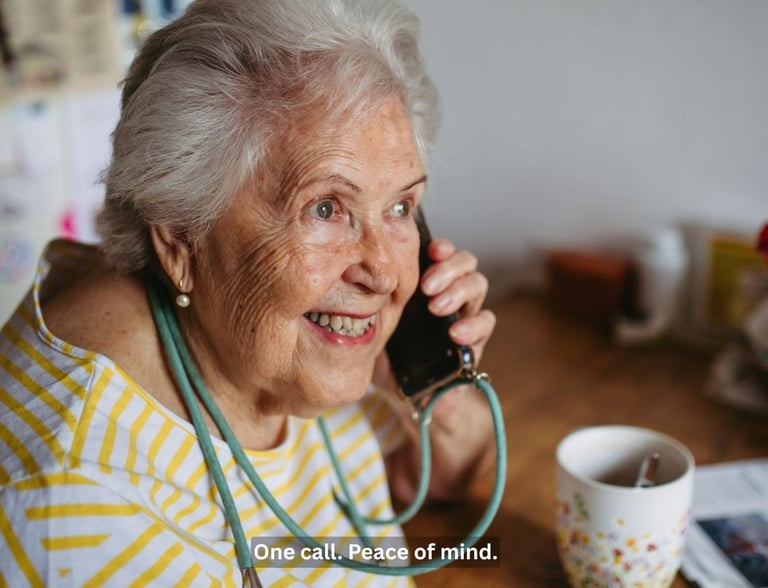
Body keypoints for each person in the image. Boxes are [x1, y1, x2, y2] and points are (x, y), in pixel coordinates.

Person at [0, 0, 497, 585]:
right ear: (182, 239)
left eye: (399, 206)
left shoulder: (268, 338)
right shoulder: (77, 507)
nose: (386, 274)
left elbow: (433, 483)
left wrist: (436, 386)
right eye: (325, 208)